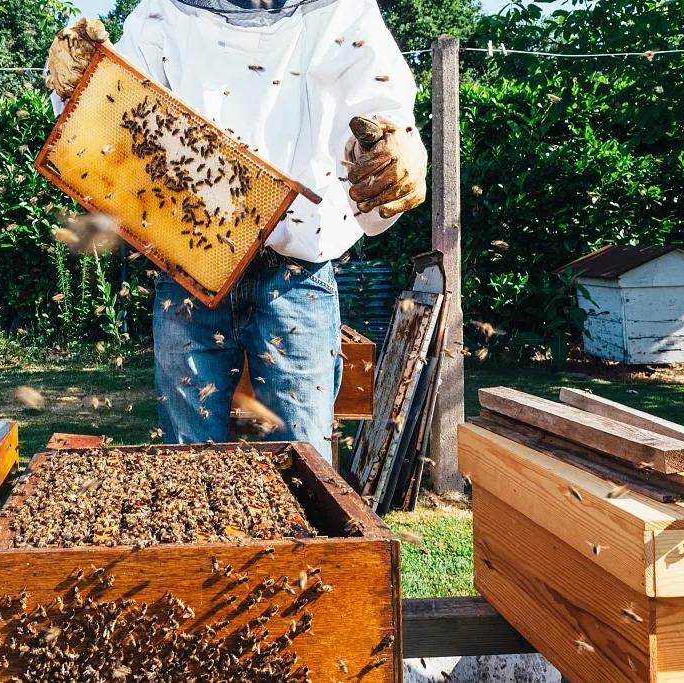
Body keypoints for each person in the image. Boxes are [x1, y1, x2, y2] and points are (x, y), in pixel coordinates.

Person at [46, 0, 426, 457]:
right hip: (189, 265)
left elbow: (382, 105)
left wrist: (395, 146)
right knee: (187, 458)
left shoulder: (343, 10)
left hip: (295, 273)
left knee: (304, 457)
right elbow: (114, 113)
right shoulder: (163, 13)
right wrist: (77, 88)